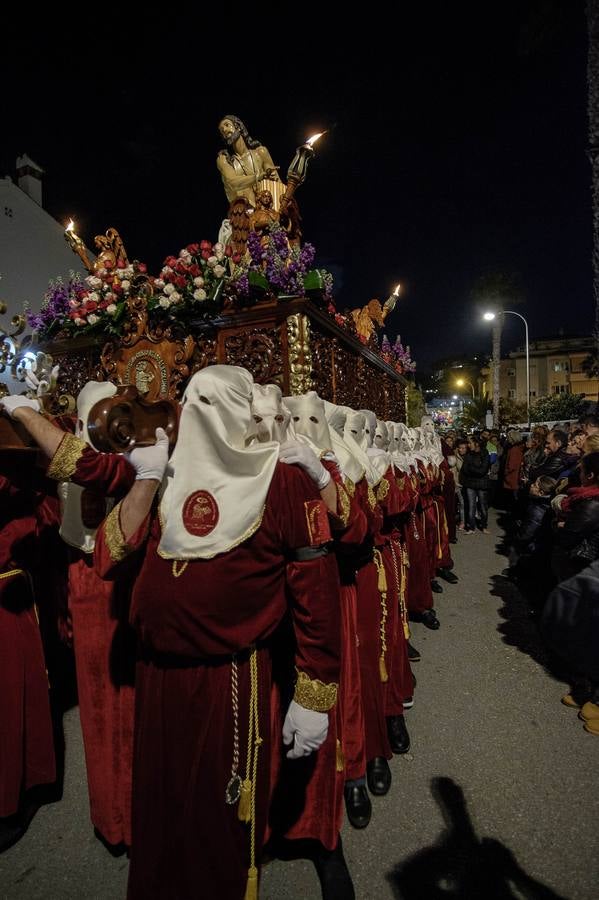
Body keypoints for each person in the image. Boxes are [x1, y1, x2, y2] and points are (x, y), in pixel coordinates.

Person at [93, 366, 342, 900]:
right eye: (191, 400)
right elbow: (106, 559)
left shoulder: (280, 477)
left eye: (214, 402)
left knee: (217, 815)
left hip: (231, 679)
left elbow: (315, 591)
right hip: (156, 675)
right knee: (161, 808)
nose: (198, 412)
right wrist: (146, 478)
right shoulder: (165, 472)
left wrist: (315, 694)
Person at [217, 115, 281, 208]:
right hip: (243, 214)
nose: (225, 130)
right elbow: (232, 183)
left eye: (227, 125)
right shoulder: (224, 159)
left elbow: (277, 185)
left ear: (238, 127)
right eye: (222, 130)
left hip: (266, 210)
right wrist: (258, 177)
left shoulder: (260, 152)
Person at [461, 435, 491, 533]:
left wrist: (471, 469)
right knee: (471, 506)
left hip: (482, 484)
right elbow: (465, 469)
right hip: (470, 484)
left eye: (470, 443)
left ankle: (484, 526)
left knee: (483, 506)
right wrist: (474, 470)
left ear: (476, 444)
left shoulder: (485, 453)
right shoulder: (468, 455)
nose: (468, 445)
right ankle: (471, 527)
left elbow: (483, 470)